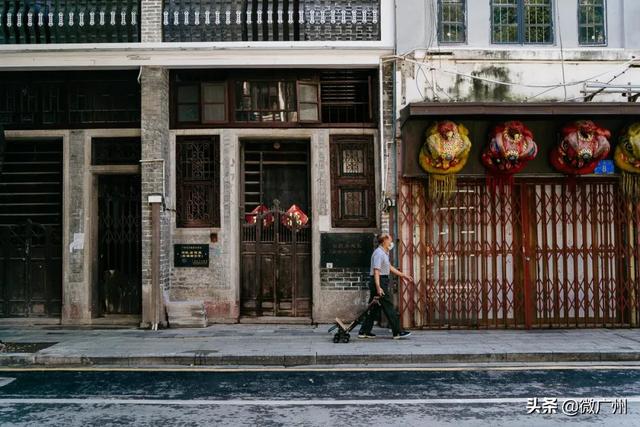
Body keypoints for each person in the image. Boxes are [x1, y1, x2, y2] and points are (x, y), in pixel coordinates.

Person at [358, 233, 413, 339]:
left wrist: (403, 275)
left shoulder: (383, 253)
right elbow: (376, 271)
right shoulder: (379, 253)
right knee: (388, 306)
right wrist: (379, 287)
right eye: (390, 240)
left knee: (374, 307)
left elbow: (389, 267)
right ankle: (397, 332)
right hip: (379, 281)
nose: (391, 243)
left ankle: (364, 331)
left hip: (379, 281)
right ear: (384, 241)